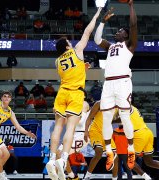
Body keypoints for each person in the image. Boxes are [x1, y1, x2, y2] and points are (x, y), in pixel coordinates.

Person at [45, 7, 102, 180]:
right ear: (68, 45)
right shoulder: (77, 50)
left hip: (62, 92)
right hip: (75, 93)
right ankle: (63, 160)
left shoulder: (57, 61)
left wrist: (82, 68)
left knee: (58, 127)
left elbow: (70, 71)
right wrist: (97, 14)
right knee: (70, 127)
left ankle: (51, 158)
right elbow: (87, 31)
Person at [94, 0, 138, 171]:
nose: (118, 32)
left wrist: (131, 5)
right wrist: (103, 21)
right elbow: (97, 39)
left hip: (123, 82)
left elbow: (133, 25)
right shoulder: (110, 46)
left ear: (125, 36)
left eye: (120, 31)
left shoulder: (129, 45)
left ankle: (131, 148)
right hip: (108, 84)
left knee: (125, 117)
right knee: (106, 118)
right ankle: (108, 152)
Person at [116, 106, 157, 180]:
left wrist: (108, 120)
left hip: (139, 135)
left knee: (129, 161)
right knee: (149, 162)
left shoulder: (125, 107)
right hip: (147, 132)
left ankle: (147, 178)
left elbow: (119, 120)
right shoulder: (133, 108)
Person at [83, 101, 118, 180]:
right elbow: (89, 118)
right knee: (99, 151)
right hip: (95, 131)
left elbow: (112, 119)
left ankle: (114, 178)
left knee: (116, 157)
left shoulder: (118, 106)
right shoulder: (99, 103)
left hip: (107, 133)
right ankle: (87, 175)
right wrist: (86, 131)